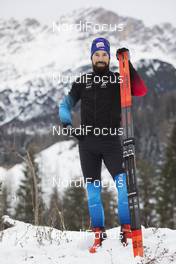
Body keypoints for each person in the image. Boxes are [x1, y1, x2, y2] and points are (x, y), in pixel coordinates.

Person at [58, 37, 147, 253]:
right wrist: (68, 125)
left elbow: (140, 90)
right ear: (91, 57)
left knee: (123, 187)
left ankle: (126, 230)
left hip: (111, 142)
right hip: (87, 144)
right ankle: (98, 235)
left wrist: (128, 64)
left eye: (104, 54)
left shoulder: (119, 81)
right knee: (94, 193)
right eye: (96, 54)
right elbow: (65, 104)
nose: (100, 58)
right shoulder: (82, 82)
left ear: (109, 58)